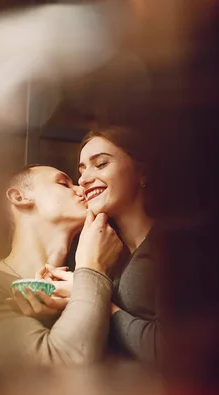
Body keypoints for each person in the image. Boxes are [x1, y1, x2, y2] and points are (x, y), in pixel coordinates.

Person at [0, 165, 123, 370]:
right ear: (19, 198)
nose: (81, 188)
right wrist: (93, 268)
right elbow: (63, 371)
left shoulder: (79, 289)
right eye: (63, 183)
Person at [27, 126, 161, 364]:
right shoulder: (96, 247)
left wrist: (95, 300)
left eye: (100, 164)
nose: (84, 179)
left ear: (143, 172)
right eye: (82, 169)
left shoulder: (178, 248)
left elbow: (172, 352)